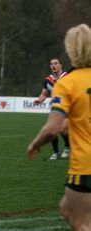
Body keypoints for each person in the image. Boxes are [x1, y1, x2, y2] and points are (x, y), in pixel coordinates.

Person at [27, 23, 91, 231]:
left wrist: (35, 144)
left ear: (70, 50)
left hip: (85, 165)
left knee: (79, 222)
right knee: (66, 208)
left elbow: (52, 129)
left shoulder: (68, 83)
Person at [33, 58, 70, 160]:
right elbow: (44, 93)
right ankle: (55, 152)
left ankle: (67, 147)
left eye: (56, 63)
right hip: (56, 108)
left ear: (60, 65)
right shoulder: (48, 80)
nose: (53, 65)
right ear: (50, 67)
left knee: (62, 129)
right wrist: (39, 100)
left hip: (68, 108)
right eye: (51, 64)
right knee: (52, 131)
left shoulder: (68, 77)